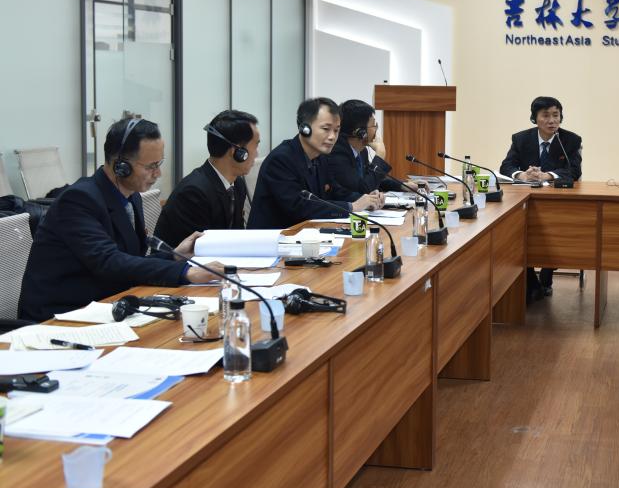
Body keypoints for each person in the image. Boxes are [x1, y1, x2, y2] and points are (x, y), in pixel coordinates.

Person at [18, 118, 218, 322]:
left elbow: (129, 261)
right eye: (151, 166)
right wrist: (185, 272)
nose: (158, 173)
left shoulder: (132, 197)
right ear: (121, 167)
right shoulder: (78, 200)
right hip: (59, 316)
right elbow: (109, 262)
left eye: (159, 164)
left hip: (106, 306)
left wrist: (175, 256)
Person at [248, 98, 380, 230]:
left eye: (336, 130)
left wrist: (367, 199)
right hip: (275, 237)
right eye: (326, 129)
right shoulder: (281, 159)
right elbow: (299, 206)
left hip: (305, 233)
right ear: (304, 129)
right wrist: (352, 207)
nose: (332, 137)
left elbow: (335, 192)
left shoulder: (321, 157)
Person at [499, 96, 582, 301]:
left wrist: (547, 175)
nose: (552, 120)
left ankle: (546, 276)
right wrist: (522, 175)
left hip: (558, 204)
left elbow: (574, 171)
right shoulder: (521, 139)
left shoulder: (571, 140)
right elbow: (506, 166)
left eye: (556, 115)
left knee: (555, 233)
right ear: (535, 118)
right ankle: (531, 283)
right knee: (516, 236)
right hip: (524, 201)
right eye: (546, 115)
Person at [153, 110, 261, 248]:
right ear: (238, 153)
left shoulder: (237, 184)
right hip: (184, 261)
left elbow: (235, 238)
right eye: (256, 146)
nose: (257, 154)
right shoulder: (193, 193)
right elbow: (199, 251)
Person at [325, 99, 397, 205]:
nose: (376, 129)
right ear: (361, 132)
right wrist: (380, 155)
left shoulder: (362, 152)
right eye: (374, 125)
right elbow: (364, 190)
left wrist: (403, 186)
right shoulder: (337, 154)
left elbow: (371, 178)